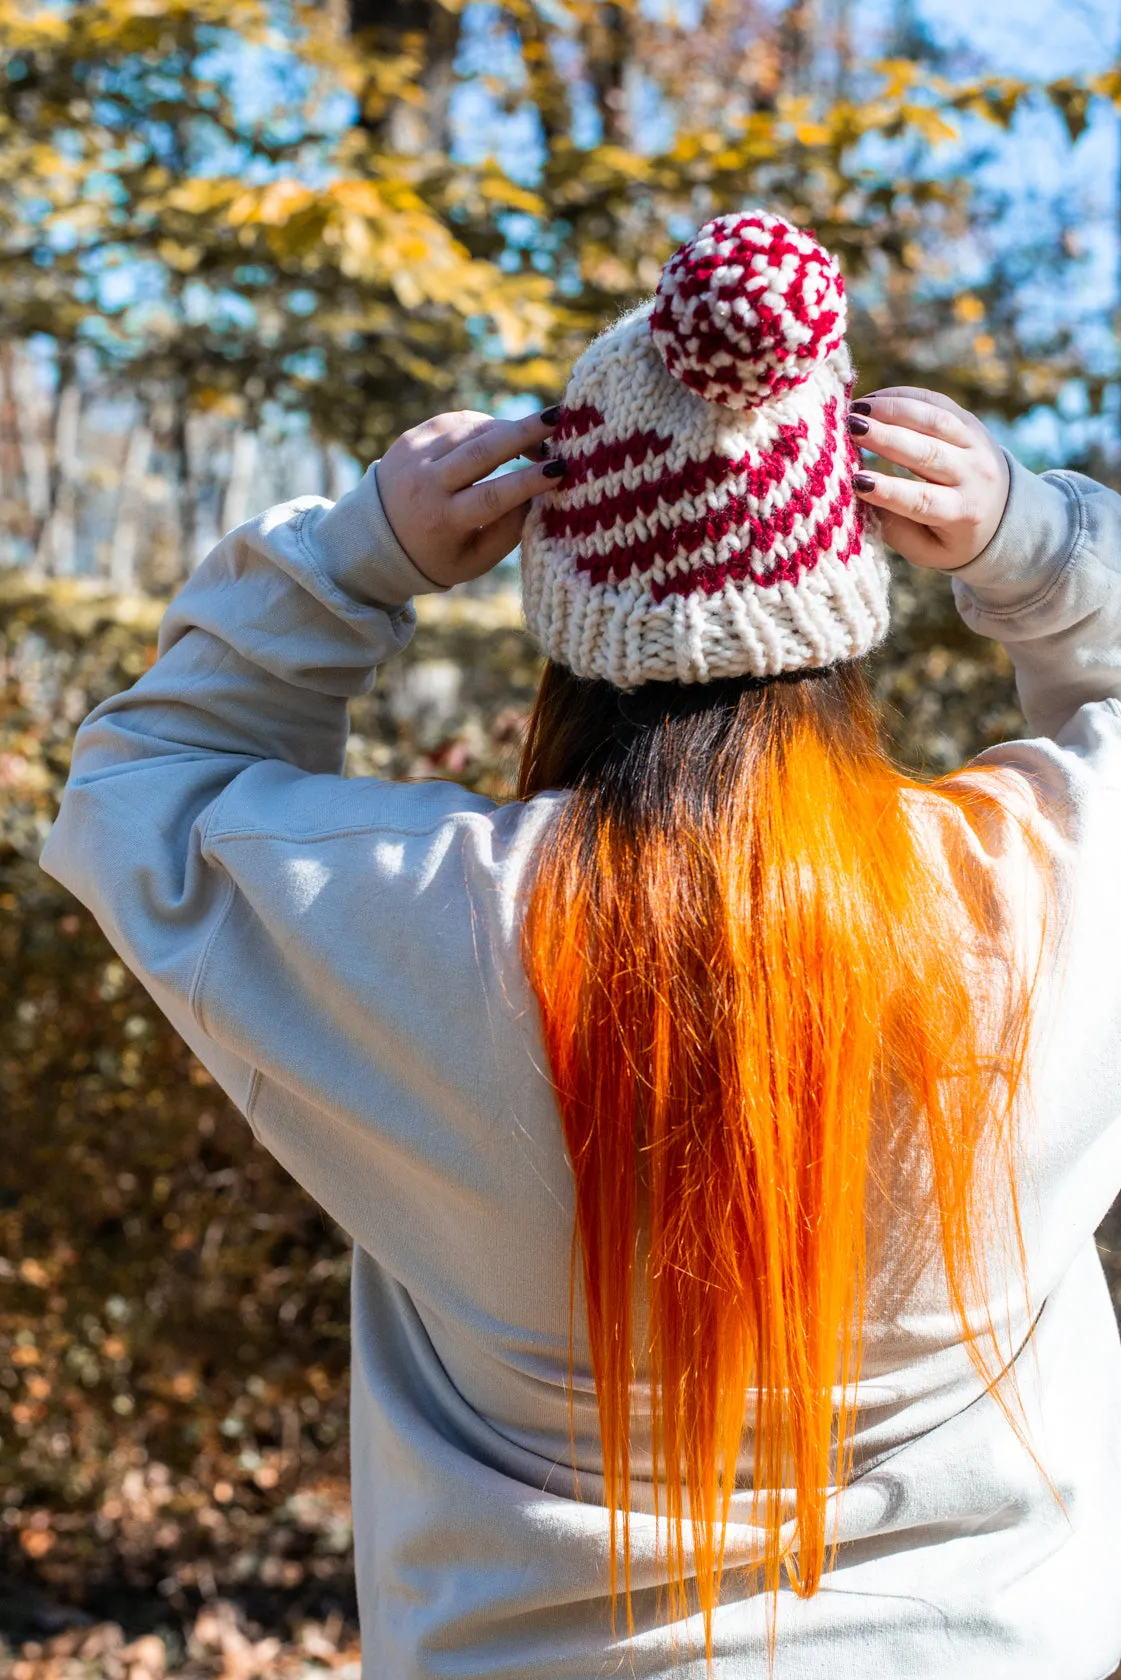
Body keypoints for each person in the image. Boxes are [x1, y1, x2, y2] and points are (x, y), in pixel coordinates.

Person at [40, 211, 1121, 1680]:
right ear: (846, 593)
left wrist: (355, 554)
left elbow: (131, 788)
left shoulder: (418, 915)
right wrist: (1042, 548)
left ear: (567, 622)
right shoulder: (1044, 894)